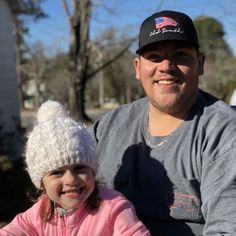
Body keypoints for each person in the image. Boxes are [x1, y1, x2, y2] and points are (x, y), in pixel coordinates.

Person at [88, 10, 236, 235]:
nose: (166, 66)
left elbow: (226, 229)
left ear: (200, 63)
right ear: (138, 67)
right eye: (155, 56)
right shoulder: (107, 127)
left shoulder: (223, 133)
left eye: (180, 55)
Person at [0, 101, 150, 236]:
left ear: (92, 170)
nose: (71, 179)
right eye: (57, 172)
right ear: (41, 183)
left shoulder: (113, 209)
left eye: (79, 168)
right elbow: (14, 230)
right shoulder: (41, 211)